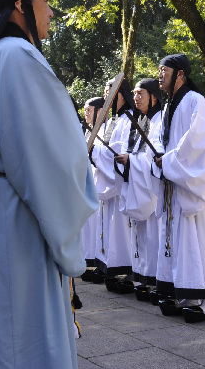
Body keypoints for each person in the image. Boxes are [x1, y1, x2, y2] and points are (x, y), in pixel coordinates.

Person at [0, 0, 98, 369]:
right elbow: (45, 158)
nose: (51, 13)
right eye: (46, 3)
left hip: (2, 206)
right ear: (20, 5)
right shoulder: (19, 56)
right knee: (24, 330)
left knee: (1, 325)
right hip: (22, 214)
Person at [153, 53, 205, 323]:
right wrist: (160, 159)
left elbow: (198, 141)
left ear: (180, 74)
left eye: (164, 70)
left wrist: (168, 162)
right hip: (176, 183)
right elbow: (162, 142)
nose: (159, 75)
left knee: (197, 238)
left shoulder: (195, 100)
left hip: (190, 185)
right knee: (179, 240)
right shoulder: (169, 107)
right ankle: (188, 294)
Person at [115, 78, 164, 300]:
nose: (135, 98)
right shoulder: (140, 121)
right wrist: (128, 160)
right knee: (141, 235)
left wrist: (132, 161)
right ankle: (144, 275)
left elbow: (153, 155)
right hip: (137, 184)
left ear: (153, 96)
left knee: (154, 235)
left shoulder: (160, 119)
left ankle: (156, 279)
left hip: (151, 188)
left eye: (140, 93)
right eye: (134, 93)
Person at [90, 76, 136, 293]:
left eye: (109, 93)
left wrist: (95, 152)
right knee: (110, 230)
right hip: (108, 184)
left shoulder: (130, 118)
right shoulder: (112, 120)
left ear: (119, 94)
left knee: (123, 230)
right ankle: (111, 265)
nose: (106, 97)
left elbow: (120, 151)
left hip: (121, 185)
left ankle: (128, 270)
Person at [80, 97, 104, 281]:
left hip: (102, 184)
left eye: (89, 110)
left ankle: (98, 262)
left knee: (98, 225)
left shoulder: (104, 129)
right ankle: (88, 259)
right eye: (85, 110)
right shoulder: (87, 130)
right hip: (88, 182)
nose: (86, 113)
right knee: (88, 226)